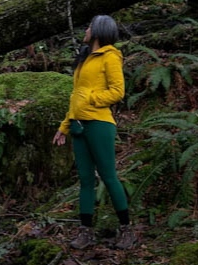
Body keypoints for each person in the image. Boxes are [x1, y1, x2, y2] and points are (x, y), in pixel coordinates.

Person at [52, 15, 136, 250]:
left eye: (89, 26)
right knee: (86, 180)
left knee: (108, 176)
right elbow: (75, 97)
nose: (86, 29)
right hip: (78, 125)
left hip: (99, 123)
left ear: (99, 31)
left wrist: (91, 99)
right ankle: (85, 232)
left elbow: (117, 92)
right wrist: (64, 126)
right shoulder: (84, 58)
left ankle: (127, 230)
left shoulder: (110, 56)